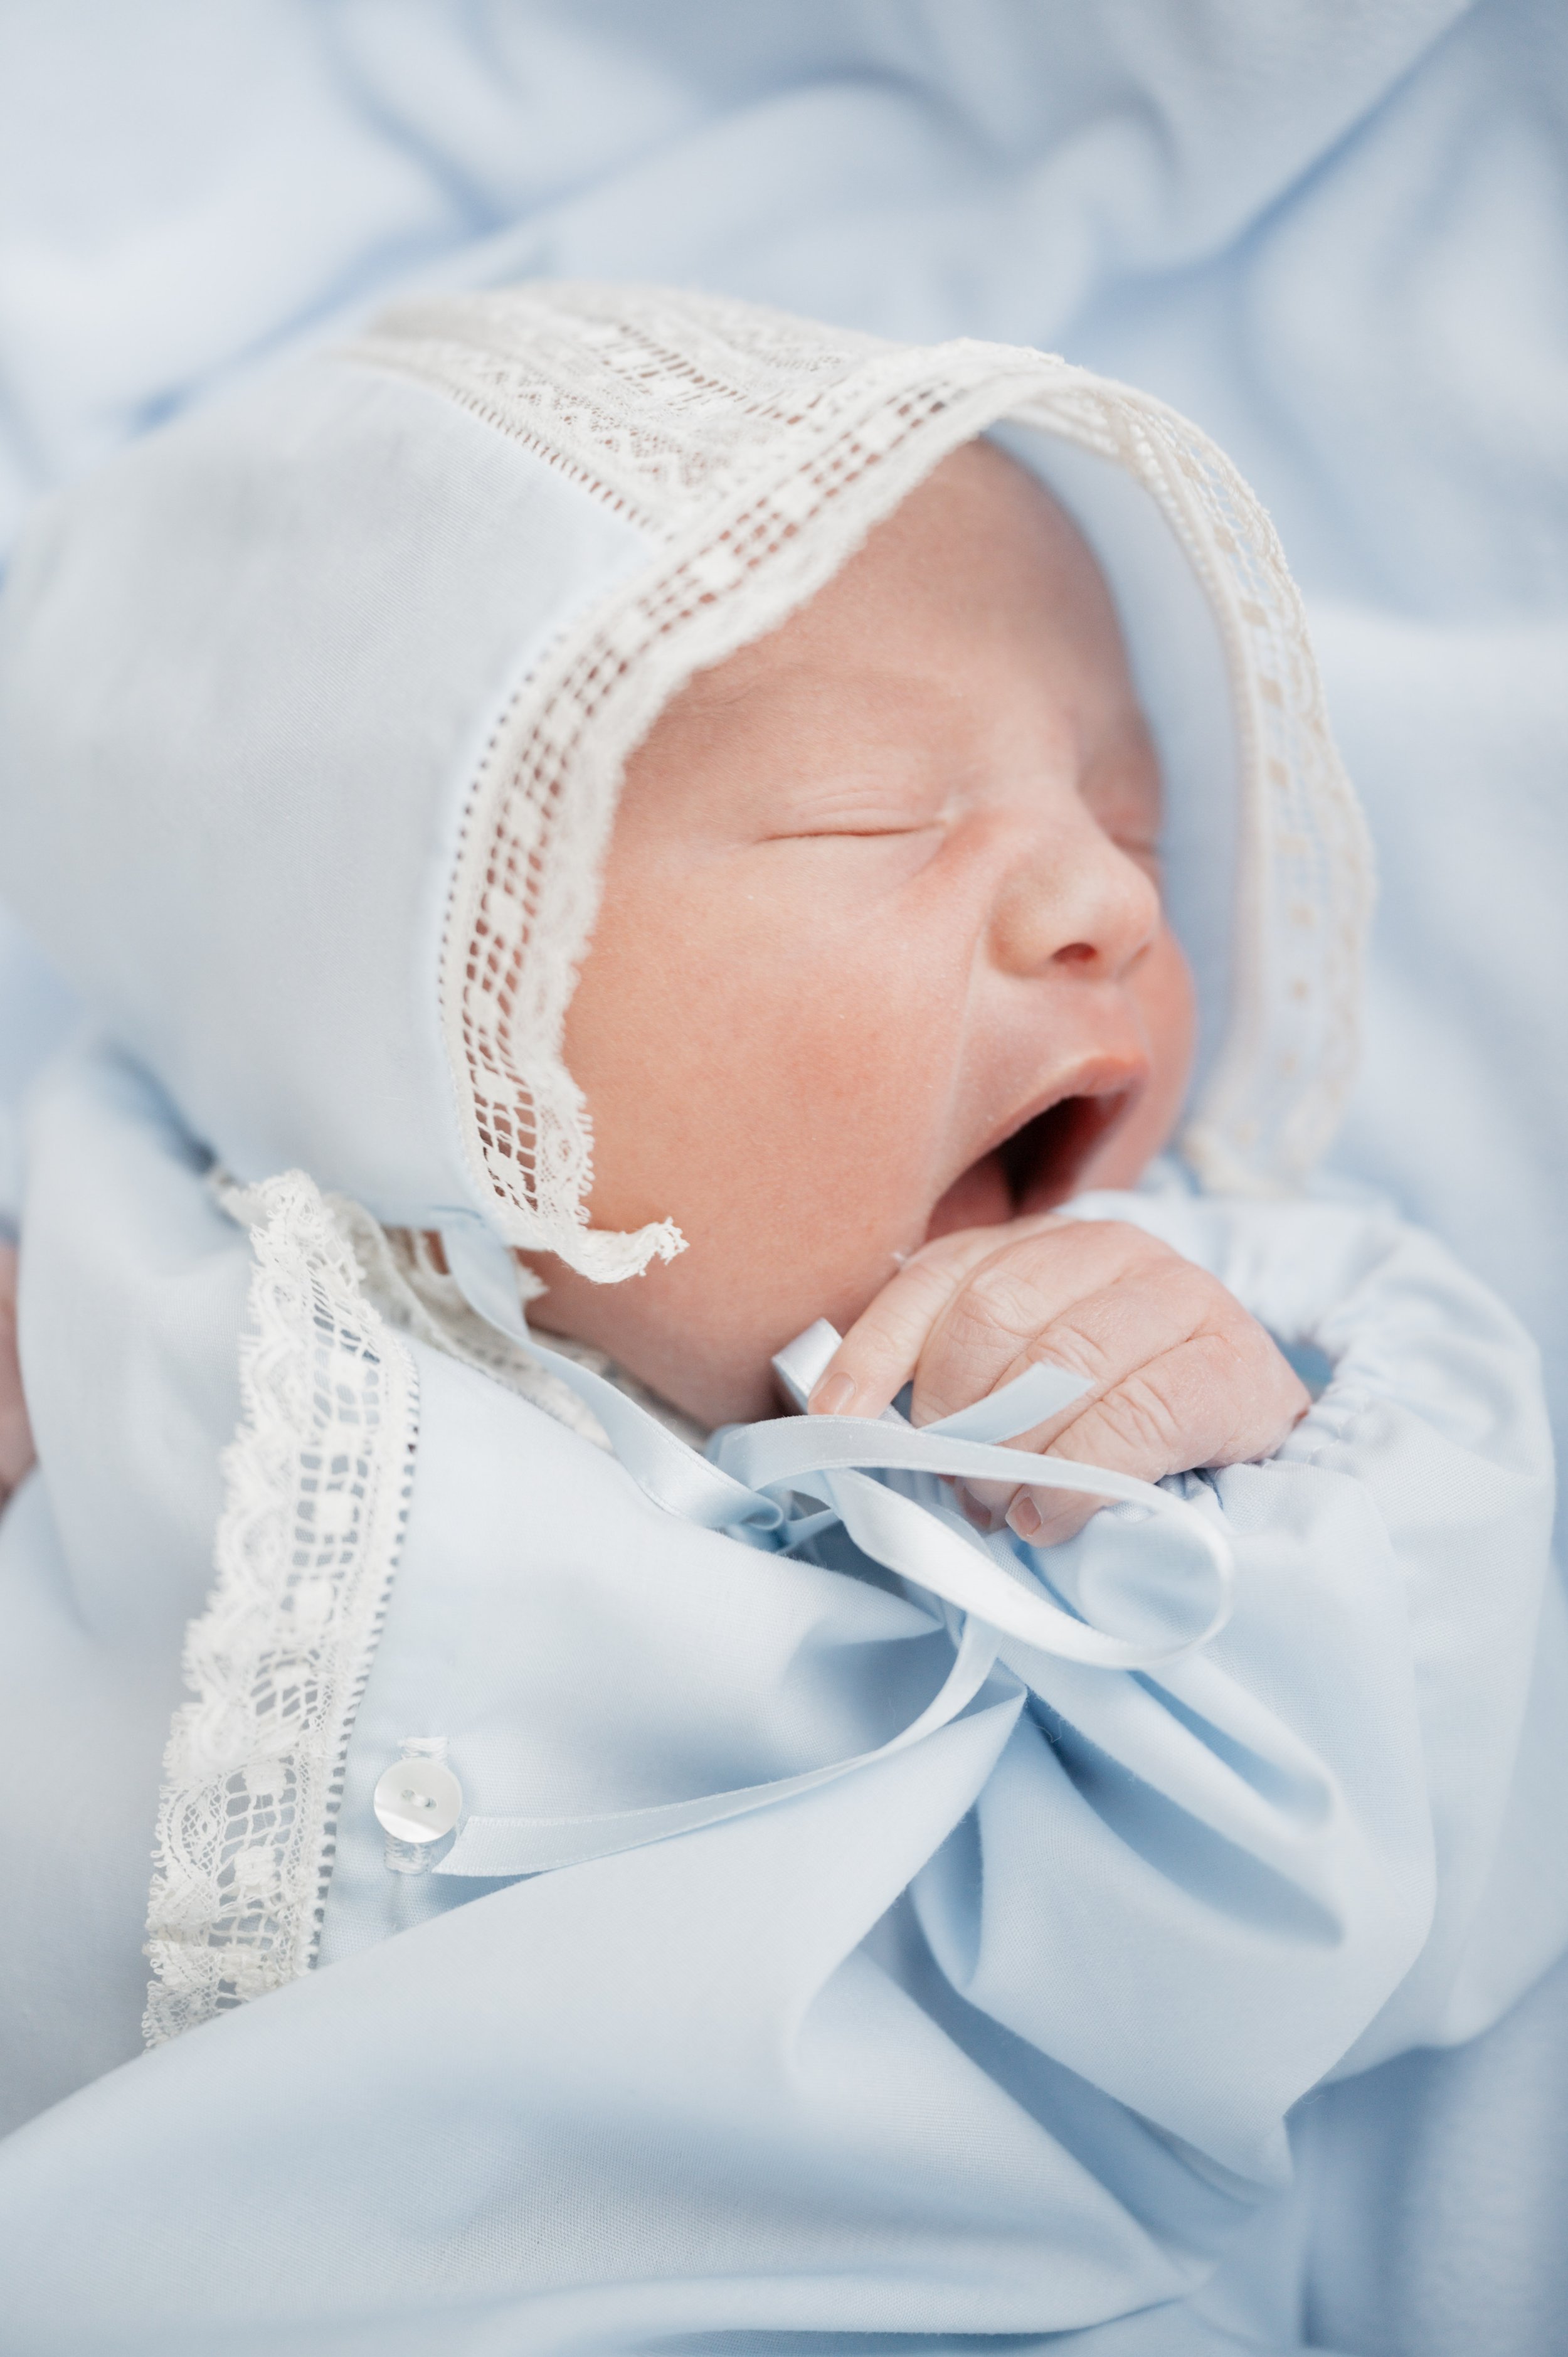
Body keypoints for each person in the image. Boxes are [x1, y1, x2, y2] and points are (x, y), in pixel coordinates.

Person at [0, 282, 1560, 2355]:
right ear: (400, 966)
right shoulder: (118, 1275)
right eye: (872, 813)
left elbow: (1368, 1912)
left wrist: (1222, 1491)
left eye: (1135, 823)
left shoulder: (1237, 1365)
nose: (1101, 899)